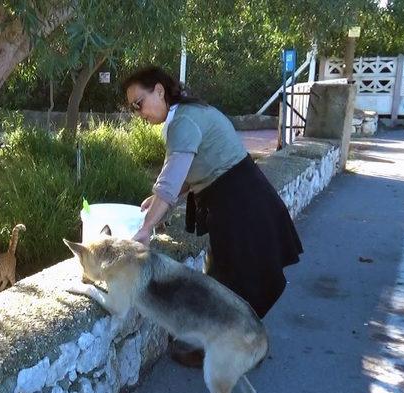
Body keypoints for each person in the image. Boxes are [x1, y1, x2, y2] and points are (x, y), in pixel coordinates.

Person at [123, 66, 303, 368]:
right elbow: (188, 173)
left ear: (158, 90)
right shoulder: (189, 112)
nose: (138, 113)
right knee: (232, 279)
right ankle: (235, 347)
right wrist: (156, 202)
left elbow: (171, 179)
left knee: (235, 283)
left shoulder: (184, 120)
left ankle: (233, 352)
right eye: (132, 109)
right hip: (241, 198)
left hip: (240, 203)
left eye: (138, 103)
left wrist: (146, 229)